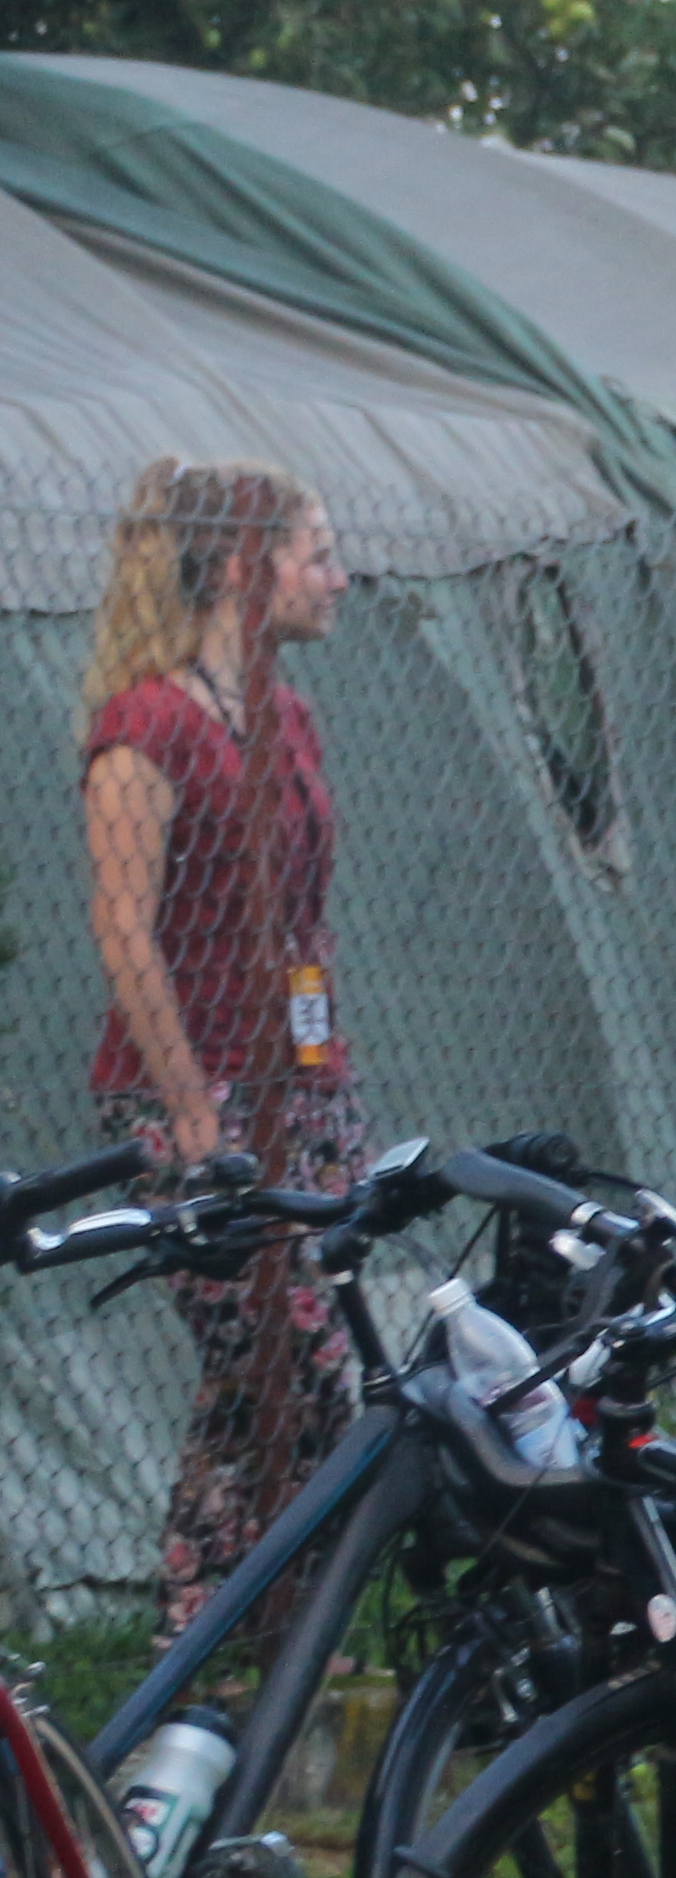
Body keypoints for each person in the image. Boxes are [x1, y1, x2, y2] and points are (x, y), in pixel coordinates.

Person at [80, 457, 357, 1632]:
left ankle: (254, 1623)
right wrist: (194, 1113)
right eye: (317, 554)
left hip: (301, 1084)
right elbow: (123, 924)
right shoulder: (146, 726)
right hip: (191, 1092)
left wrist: (319, 1073)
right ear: (246, 569)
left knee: (300, 1366)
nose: (339, 578)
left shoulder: (283, 709)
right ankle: (219, 1619)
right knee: (282, 1365)